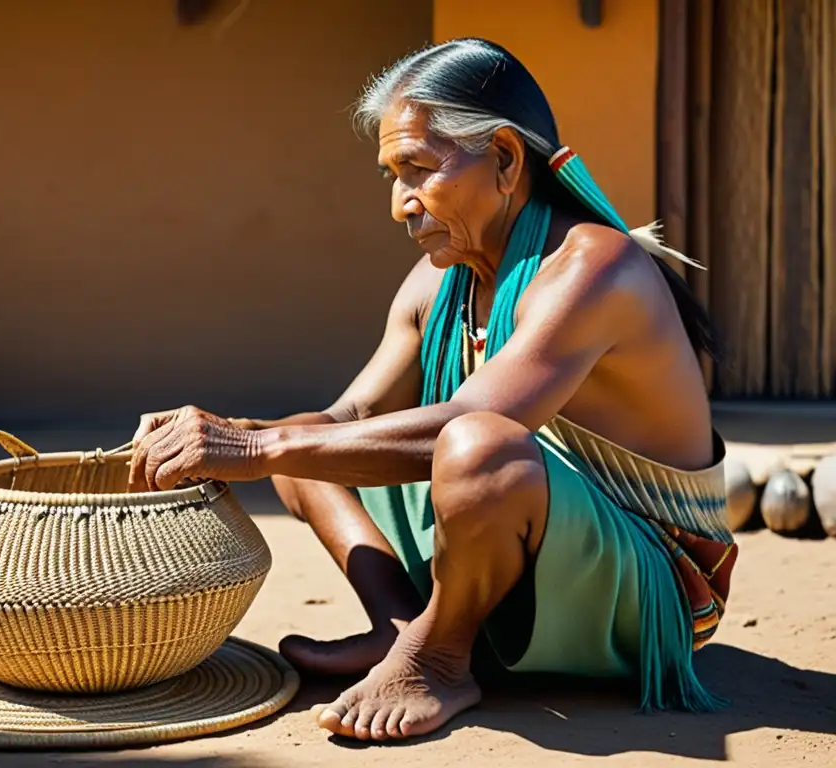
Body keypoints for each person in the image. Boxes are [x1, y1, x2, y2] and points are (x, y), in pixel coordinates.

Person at [128, 38, 738, 742]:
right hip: (548, 550)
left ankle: (442, 658)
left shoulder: (594, 266)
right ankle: (400, 630)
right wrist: (234, 435)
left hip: (657, 588)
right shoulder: (439, 280)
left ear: (506, 161)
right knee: (307, 440)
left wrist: (259, 444)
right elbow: (347, 416)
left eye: (418, 169)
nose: (399, 204)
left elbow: (475, 422)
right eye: (391, 174)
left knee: (476, 448)